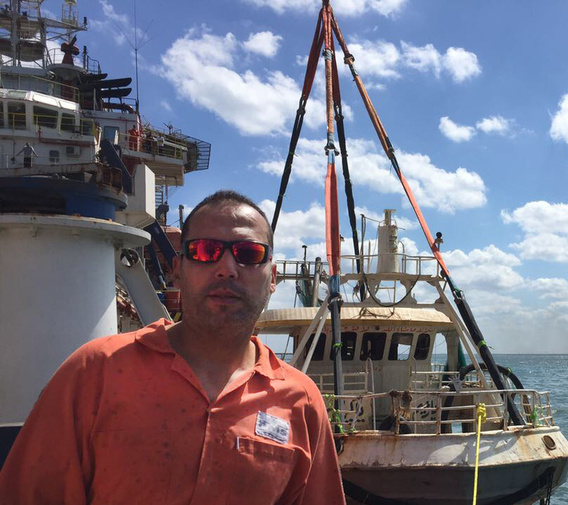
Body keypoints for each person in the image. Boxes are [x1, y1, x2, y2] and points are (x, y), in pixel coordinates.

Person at [0, 190, 345, 504]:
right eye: (205, 251)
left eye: (248, 253)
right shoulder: (96, 371)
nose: (226, 268)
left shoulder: (301, 402)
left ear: (272, 279)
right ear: (178, 270)